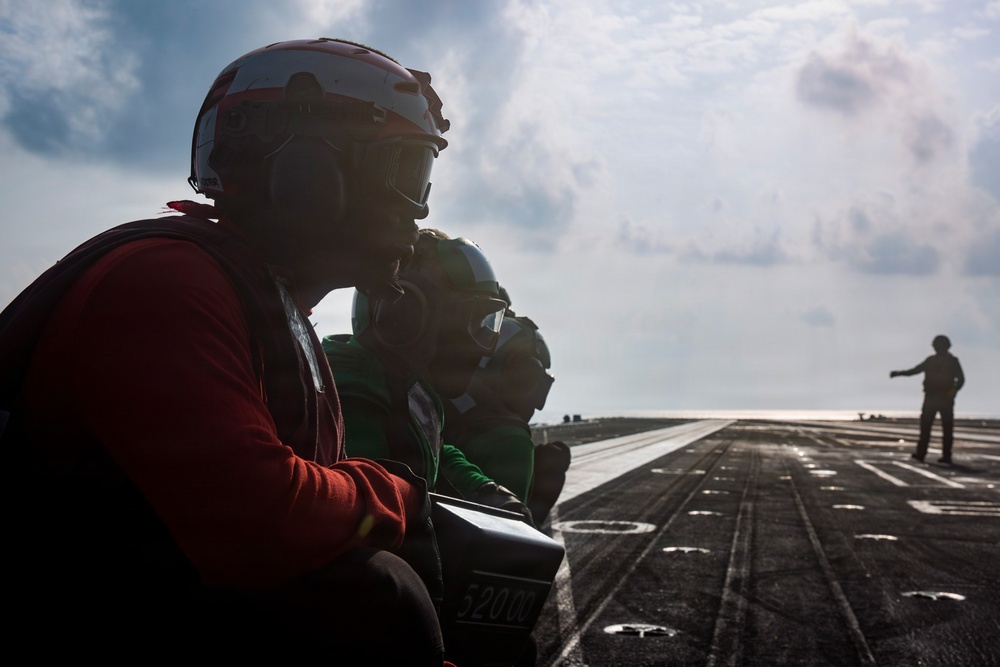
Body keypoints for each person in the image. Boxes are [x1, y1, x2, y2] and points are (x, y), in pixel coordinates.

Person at [0, 38, 455, 663]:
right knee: (374, 597)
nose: (419, 208)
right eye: (403, 171)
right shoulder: (164, 283)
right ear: (308, 172)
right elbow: (259, 523)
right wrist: (397, 496)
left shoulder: (265, 306)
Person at [322, 229, 531, 519]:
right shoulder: (358, 397)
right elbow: (362, 515)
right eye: (471, 321)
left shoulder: (403, 386)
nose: (481, 347)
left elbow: (432, 451)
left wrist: (484, 490)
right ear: (406, 315)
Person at [443, 309, 570, 525]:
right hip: (470, 548)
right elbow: (505, 546)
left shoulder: (439, 400)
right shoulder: (510, 440)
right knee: (553, 461)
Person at [890, 334, 965, 464]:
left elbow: (961, 379)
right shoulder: (934, 360)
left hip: (939, 398)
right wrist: (899, 373)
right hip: (934, 398)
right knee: (931, 428)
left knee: (938, 428)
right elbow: (915, 370)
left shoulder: (950, 361)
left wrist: (952, 391)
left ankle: (932, 454)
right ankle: (927, 454)